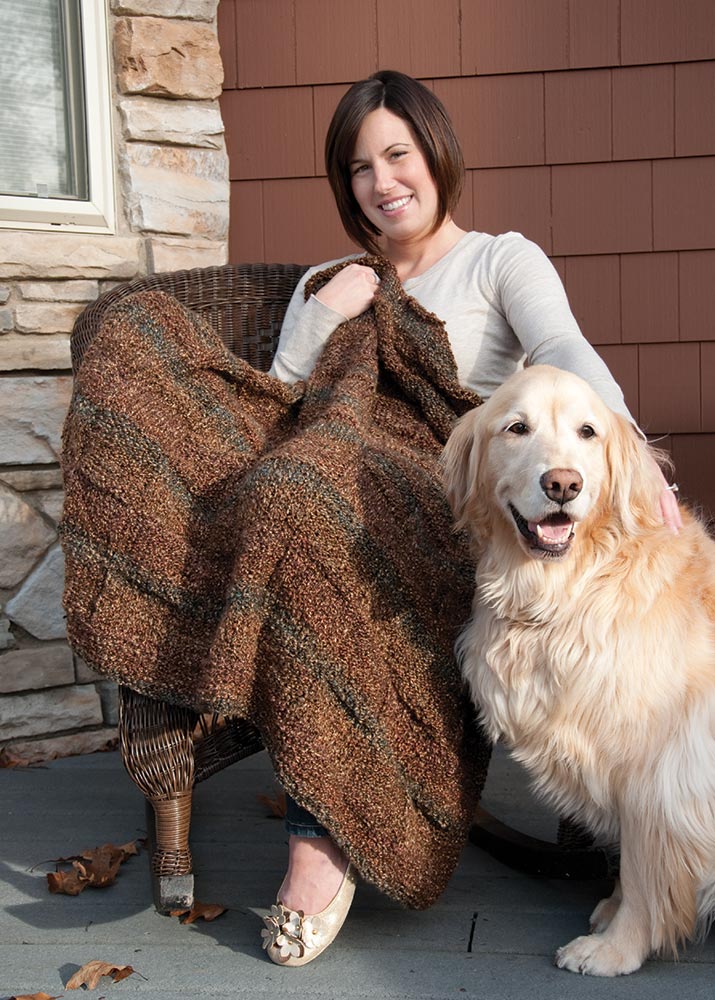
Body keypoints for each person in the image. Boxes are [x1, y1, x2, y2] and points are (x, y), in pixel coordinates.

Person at [260, 68, 682, 965]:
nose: (382, 182)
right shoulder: (329, 282)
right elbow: (277, 400)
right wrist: (321, 314)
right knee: (298, 515)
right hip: (337, 488)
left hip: (455, 503)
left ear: (436, 154)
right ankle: (320, 838)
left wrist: (634, 456)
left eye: (398, 155)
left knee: (314, 541)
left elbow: (560, 348)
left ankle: (323, 841)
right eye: (359, 167)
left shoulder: (499, 260)